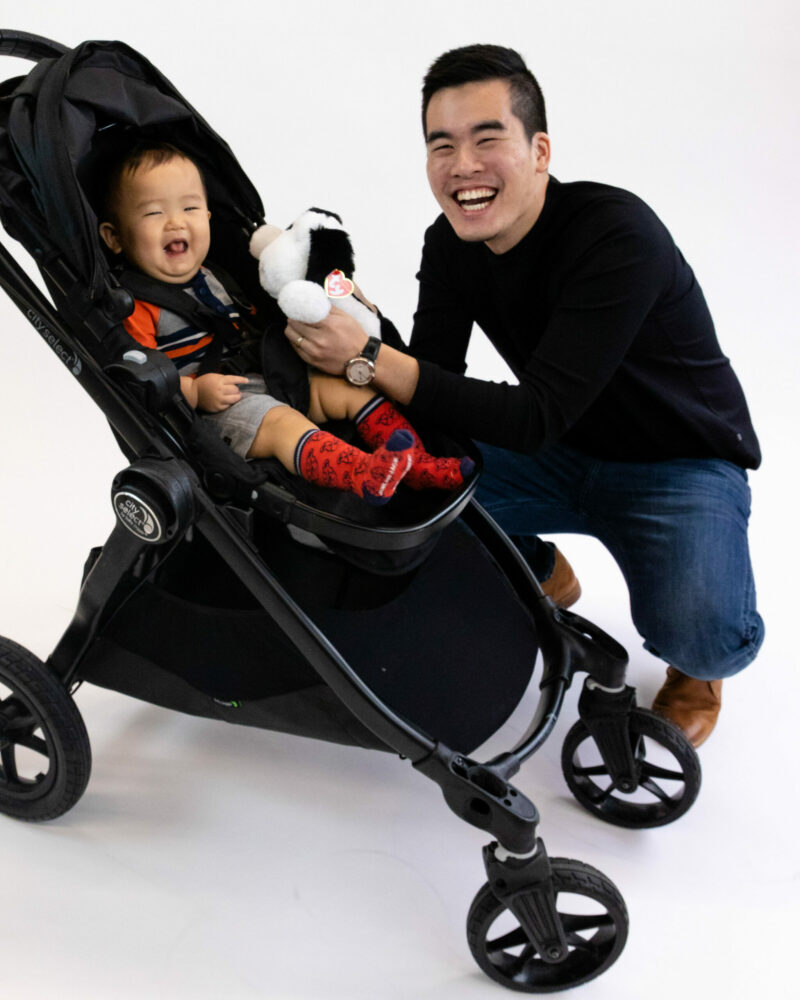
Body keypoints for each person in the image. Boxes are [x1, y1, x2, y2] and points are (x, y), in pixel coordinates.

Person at [284, 45, 763, 747]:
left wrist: (368, 358)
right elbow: (432, 385)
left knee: (707, 632)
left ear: (539, 150)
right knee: (399, 469)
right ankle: (542, 570)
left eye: (487, 138)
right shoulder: (450, 244)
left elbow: (534, 414)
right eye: (441, 145)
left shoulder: (615, 234)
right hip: (558, 452)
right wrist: (361, 332)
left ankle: (697, 672)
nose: (462, 166)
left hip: (678, 465)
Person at [96, 142, 472, 505]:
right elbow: (141, 379)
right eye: (153, 213)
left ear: (209, 217)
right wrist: (194, 392)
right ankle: (361, 471)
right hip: (220, 405)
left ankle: (416, 462)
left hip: (271, 374)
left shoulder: (218, 275)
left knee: (349, 388)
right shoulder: (135, 305)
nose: (176, 222)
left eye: (190, 208)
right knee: (282, 425)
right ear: (114, 238)